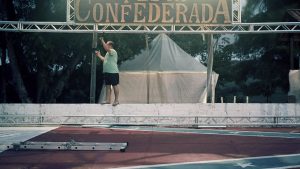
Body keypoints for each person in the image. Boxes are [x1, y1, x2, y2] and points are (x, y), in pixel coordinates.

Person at [95, 37, 119, 106]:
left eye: (107, 44)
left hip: (113, 72)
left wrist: (102, 40)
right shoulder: (107, 53)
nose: (105, 45)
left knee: (115, 86)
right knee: (108, 86)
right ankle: (108, 100)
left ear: (110, 45)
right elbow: (104, 60)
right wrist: (99, 55)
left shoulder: (113, 51)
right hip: (107, 72)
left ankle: (116, 100)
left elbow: (106, 48)